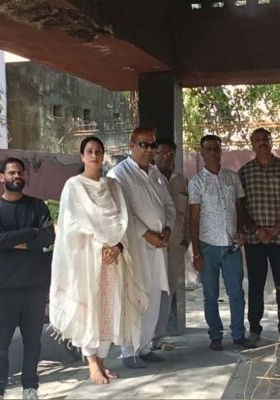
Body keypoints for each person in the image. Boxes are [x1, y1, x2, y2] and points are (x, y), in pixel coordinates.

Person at [50, 137, 148, 384]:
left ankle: (102, 361)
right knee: (89, 308)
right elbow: (70, 227)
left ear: (103, 155)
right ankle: (92, 363)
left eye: (98, 151)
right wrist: (100, 245)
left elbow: (124, 223)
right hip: (86, 259)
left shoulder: (113, 186)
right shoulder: (74, 186)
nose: (94, 155)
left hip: (113, 259)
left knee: (110, 309)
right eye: (90, 151)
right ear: (82, 156)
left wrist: (117, 247)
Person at [0, 158, 55, 400]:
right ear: (1, 177)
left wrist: (17, 241)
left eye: (20, 172)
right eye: (12, 172)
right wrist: (31, 233)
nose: (17, 176)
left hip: (34, 285)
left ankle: (30, 387)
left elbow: (48, 237)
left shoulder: (37, 206)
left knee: (33, 341)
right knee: (0, 343)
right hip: (4, 287)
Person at [108, 127, 175, 368]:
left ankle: (145, 346)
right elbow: (122, 212)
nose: (149, 150)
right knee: (135, 298)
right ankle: (130, 351)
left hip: (158, 246)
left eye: (152, 145)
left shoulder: (156, 173)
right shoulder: (119, 174)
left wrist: (167, 228)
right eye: (143, 144)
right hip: (136, 246)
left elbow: (168, 205)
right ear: (132, 145)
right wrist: (147, 234)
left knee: (154, 297)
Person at [189, 135, 253, 351]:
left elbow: (240, 208)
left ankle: (238, 334)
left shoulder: (232, 178)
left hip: (231, 245)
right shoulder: (196, 182)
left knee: (236, 293)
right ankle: (215, 335)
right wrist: (196, 253)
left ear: (221, 151)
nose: (213, 153)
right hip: (208, 246)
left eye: (216, 149)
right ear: (202, 153)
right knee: (210, 295)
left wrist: (241, 230)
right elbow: (194, 219)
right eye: (208, 149)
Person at [238, 128, 280, 343]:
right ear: (252, 144)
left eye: (266, 139)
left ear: (271, 142)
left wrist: (276, 229)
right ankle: (254, 330)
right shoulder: (245, 172)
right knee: (255, 286)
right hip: (254, 239)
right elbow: (240, 206)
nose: (262, 142)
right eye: (257, 140)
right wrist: (256, 230)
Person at [152, 138, 190, 350]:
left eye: (170, 153)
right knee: (150, 290)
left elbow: (189, 214)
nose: (166, 157)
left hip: (175, 247)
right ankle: (143, 338)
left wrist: (187, 241)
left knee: (167, 291)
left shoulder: (182, 181)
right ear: (154, 154)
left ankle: (158, 336)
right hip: (152, 245)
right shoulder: (149, 179)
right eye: (162, 153)